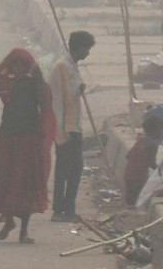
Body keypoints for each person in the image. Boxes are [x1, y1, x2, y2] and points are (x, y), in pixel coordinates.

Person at [0, 48, 55, 244]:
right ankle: (9, 221)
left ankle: (23, 231)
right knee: (7, 180)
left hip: (29, 138)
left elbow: (45, 105)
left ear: (28, 67)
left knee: (26, 184)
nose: (18, 68)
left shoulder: (35, 84)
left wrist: (38, 77)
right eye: (14, 64)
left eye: (22, 65)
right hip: (8, 137)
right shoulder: (5, 83)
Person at [49, 30, 96, 222]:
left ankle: (68, 208)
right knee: (64, 170)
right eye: (87, 48)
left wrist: (79, 89)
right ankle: (59, 210)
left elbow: (72, 93)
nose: (88, 53)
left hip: (74, 125)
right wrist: (62, 130)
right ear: (79, 47)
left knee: (75, 170)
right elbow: (58, 100)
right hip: (65, 128)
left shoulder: (72, 65)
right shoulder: (62, 67)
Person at [124, 115, 163, 206]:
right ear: (154, 130)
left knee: (130, 204)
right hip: (139, 178)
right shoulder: (152, 145)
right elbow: (152, 164)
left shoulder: (140, 141)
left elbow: (128, 156)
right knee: (139, 203)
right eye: (161, 130)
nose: (162, 133)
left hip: (128, 176)